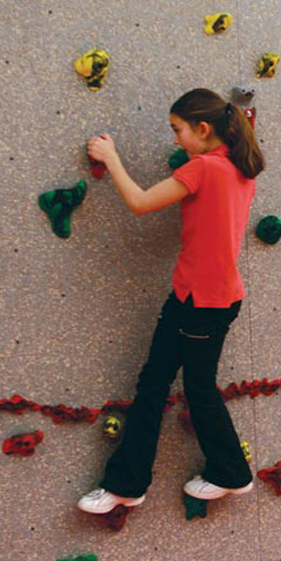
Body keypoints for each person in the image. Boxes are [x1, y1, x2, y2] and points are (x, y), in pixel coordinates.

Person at [78, 88, 264, 514]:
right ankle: (130, 483)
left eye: (177, 130)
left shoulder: (205, 168)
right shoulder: (240, 166)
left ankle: (230, 474)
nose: (175, 139)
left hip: (203, 301)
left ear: (203, 129)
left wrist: (111, 158)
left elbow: (141, 203)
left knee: (191, 390)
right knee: (160, 385)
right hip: (198, 296)